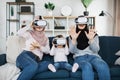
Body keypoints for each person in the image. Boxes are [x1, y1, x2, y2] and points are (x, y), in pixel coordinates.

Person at [68, 15, 110, 80]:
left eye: (83, 22)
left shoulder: (92, 34)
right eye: (80, 22)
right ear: (77, 23)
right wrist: (73, 39)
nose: (81, 24)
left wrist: (91, 39)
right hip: (80, 57)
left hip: (94, 57)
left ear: (86, 23)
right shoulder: (72, 35)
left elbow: (96, 50)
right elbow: (72, 51)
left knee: (102, 65)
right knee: (87, 66)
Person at [16, 15, 52, 80]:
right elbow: (19, 33)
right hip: (25, 56)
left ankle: (26, 72)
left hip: (36, 60)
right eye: (37, 23)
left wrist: (39, 46)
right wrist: (29, 25)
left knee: (46, 64)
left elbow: (48, 51)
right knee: (34, 66)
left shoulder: (46, 38)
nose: (39, 26)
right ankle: (28, 70)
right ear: (34, 25)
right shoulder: (29, 34)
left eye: (41, 23)